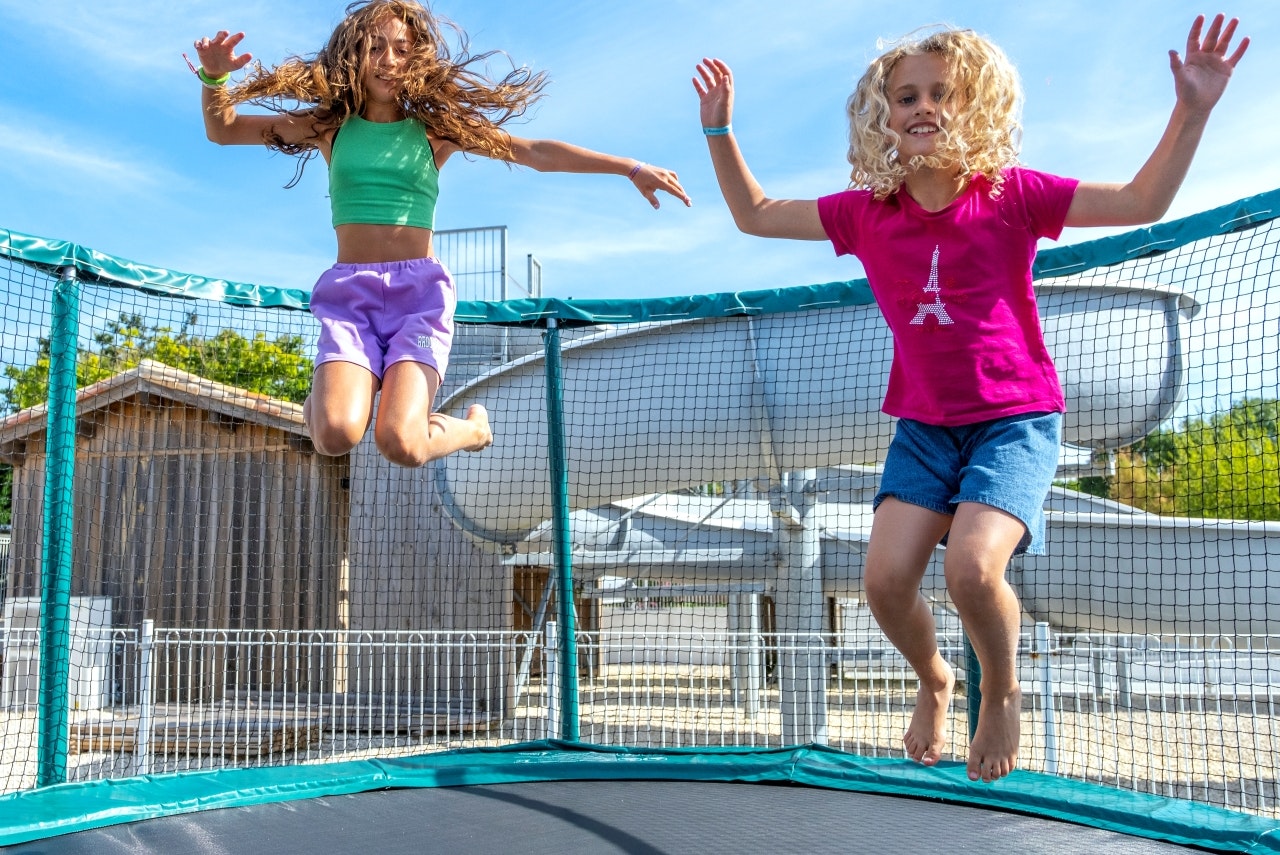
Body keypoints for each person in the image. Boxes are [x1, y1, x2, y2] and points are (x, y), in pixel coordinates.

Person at [693, 14, 1247, 783]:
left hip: (1013, 420)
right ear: (884, 116)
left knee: (973, 571)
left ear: (972, 104)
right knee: (884, 581)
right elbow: (755, 214)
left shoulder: (1011, 195)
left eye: (941, 93)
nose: (923, 106)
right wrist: (719, 130)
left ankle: (1003, 691)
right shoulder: (866, 212)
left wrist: (1191, 110)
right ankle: (935, 678)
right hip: (924, 428)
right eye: (907, 96)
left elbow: (1142, 199)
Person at [192, 0, 690, 467]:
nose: (389, 60)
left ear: (418, 60)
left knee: (402, 444)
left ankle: (473, 429)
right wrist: (215, 77)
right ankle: (322, 406)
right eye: (375, 47)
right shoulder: (329, 126)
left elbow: (536, 152)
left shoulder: (436, 131)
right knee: (335, 437)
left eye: (401, 49)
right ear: (353, 55)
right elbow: (224, 129)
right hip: (350, 294)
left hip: (418, 297)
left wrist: (630, 167)